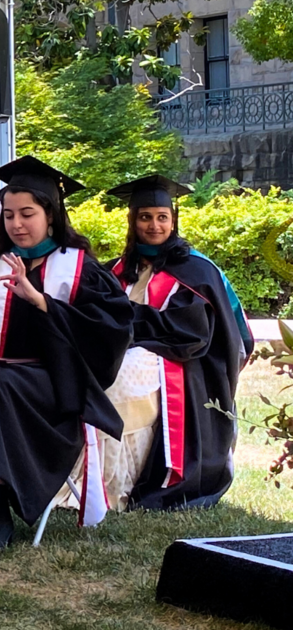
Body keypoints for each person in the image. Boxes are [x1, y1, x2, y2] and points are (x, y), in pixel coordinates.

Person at [0, 156, 133, 553]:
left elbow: (109, 332)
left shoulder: (81, 267)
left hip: (52, 386)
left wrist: (41, 302)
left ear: (51, 215)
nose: (16, 224)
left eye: (27, 214)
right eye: (9, 215)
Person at [105, 175, 253, 510]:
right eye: (145, 217)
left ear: (173, 220)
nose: (154, 225)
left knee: (121, 379)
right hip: (129, 358)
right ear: (132, 220)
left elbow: (194, 333)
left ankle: (127, 483)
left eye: (162, 217)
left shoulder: (197, 270)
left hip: (189, 368)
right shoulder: (116, 270)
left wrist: (129, 323)